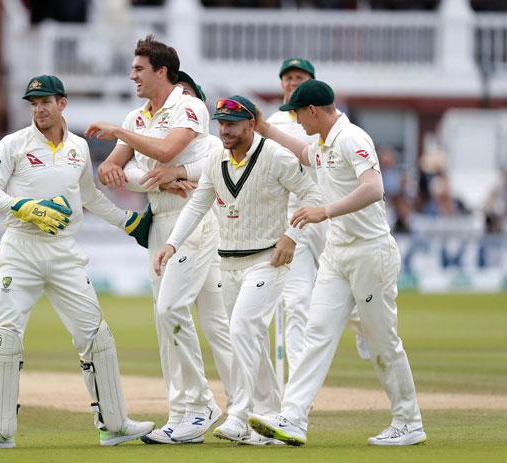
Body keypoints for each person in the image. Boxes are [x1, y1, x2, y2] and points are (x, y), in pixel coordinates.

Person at [0, 74, 154, 449]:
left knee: (95, 336)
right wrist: (24, 206)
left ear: (62, 104)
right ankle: (0, 431)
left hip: (64, 251)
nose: (39, 109)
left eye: (46, 102)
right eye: (34, 103)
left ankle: (114, 425)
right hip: (21, 249)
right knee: (4, 336)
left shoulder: (78, 148)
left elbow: (89, 195)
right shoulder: (14, 144)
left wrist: (128, 222)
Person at [248, 79, 426, 447]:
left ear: (313, 110)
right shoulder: (323, 143)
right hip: (338, 254)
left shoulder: (352, 138)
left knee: (382, 342)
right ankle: (293, 420)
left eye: (297, 113)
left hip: (370, 252)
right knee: (316, 334)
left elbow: (374, 188)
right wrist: (264, 129)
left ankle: (409, 421)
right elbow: (304, 153)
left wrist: (323, 211)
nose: (295, 121)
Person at [85, 36, 230, 444]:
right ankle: (181, 412)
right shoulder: (136, 117)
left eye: (138, 69)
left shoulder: (188, 105)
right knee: (164, 319)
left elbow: (167, 150)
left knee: (174, 311)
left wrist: (123, 136)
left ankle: (203, 406)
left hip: (195, 217)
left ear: (161, 71)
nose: (132, 75)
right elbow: (110, 170)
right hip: (160, 223)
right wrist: (127, 171)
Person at [154, 94, 322, 445]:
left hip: (267, 260)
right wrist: (172, 244)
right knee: (248, 339)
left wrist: (291, 236)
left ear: (250, 123)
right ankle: (271, 412)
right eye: (221, 124)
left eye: (232, 124)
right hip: (227, 261)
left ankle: (239, 415)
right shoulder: (217, 159)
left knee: (244, 328)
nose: (225, 130)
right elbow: (198, 205)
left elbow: (313, 196)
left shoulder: (275, 155)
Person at [267, 58, 370, 394]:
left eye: (300, 77)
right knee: (295, 302)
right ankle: (298, 391)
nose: (292, 82)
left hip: (327, 211)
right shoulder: (274, 120)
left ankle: (366, 325)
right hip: (295, 214)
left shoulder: (336, 125)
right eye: (288, 77)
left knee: (347, 290)